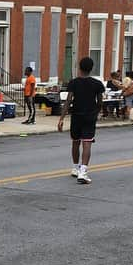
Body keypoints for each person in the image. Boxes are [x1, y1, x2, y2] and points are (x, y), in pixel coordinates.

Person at [58, 56, 105, 184]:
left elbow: (68, 101)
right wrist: (97, 111)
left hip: (76, 116)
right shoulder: (97, 84)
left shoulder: (74, 83)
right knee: (87, 143)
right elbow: (100, 102)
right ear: (91, 68)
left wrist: (61, 118)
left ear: (79, 67)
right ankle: (83, 171)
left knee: (75, 142)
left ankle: (75, 167)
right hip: (90, 116)